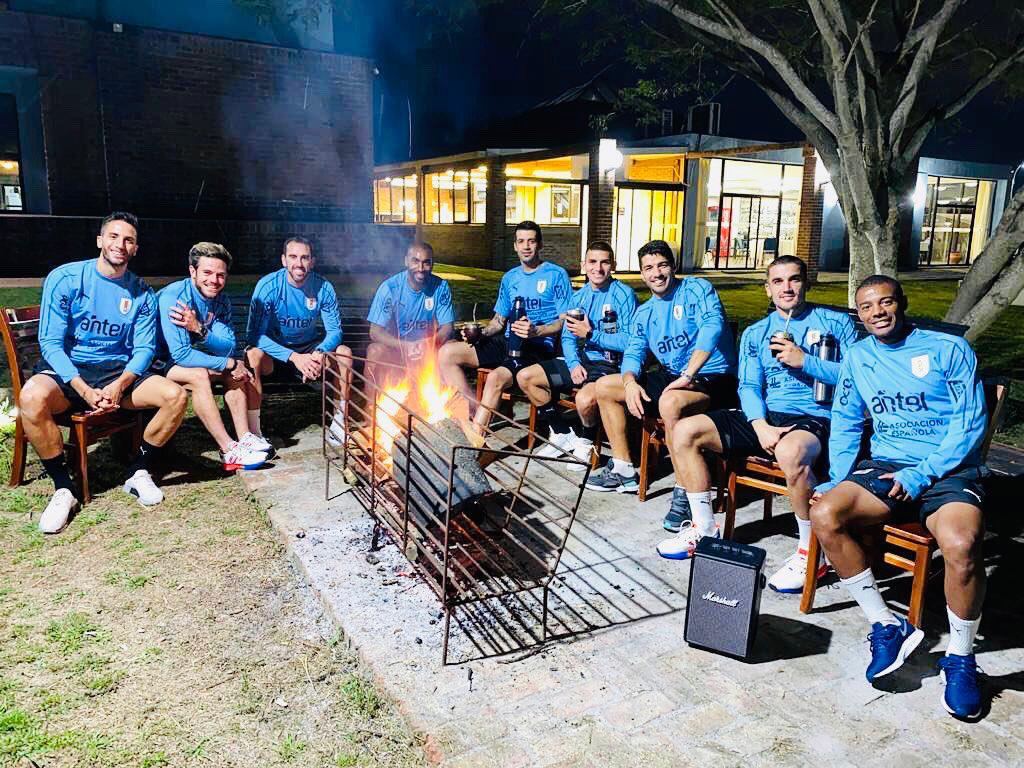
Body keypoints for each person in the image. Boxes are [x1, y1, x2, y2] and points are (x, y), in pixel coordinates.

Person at [811, 275, 988, 720]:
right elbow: (847, 418)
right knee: (826, 514)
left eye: (885, 303)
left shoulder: (949, 350)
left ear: (901, 304)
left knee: (962, 547)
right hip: (887, 466)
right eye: (867, 307)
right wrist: (837, 478)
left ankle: (961, 659)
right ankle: (886, 624)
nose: (877, 313)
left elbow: (969, 425)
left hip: (947, 469)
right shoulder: (858, 356)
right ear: (860, 313)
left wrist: (922, 473)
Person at [666, 256, 856, 577]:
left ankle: (812, 553)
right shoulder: (757, 333)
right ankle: (705, 527)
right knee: (685, 431)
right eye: (778, 282)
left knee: (790, 451)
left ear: (806, 283)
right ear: (767, 289)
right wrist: (759, 425)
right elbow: (750, 385)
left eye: (794, 279)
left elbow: (858, 376)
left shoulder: (835, 325)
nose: (787, 288)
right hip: (765, 417)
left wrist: (805, 361)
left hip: (815, 416)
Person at [19, 212, 188, 533]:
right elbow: (51, 343)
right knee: (31, 396)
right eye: (113, 236)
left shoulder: (141, 293)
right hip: (69, 373)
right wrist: (83, 389)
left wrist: (121, 383)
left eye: (128, 240)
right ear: (100, 240)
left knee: (175, 396)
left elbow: (144, 350)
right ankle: (63, 489)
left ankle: (138, 472)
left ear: (135, 248)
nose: (120, 245)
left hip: (117, 374)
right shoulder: (67, 279)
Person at [587, 240, 737, 510]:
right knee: (605, 386)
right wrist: (630, 381)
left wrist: (690, 372)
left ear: (673, 266)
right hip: (674, 378)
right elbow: (633, 353)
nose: (656, 273)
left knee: (670, 402)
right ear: (642, 274)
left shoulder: (695, 288)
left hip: (713, 378)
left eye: (662, 265)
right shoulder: (644, 313)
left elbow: (712, 326)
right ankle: (623, 469)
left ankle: (685, 490)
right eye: (649, 268)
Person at [437, 221, 571, 435]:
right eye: (521, 241)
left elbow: (565, 320)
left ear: (540, 245)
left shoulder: (556, 275)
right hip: (508, 342)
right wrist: (482, 332)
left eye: (531, 241)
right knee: (447, 353)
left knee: (495, 378)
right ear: (515, 246)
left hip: (537, 347)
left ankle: (475, 440)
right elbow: (499, 321)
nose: (526, 246)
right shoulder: (510, 278)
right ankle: (472, 409)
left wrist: (537, 331)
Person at [515, 240, 636, 464]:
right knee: (525, 377)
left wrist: (591, 335)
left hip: (609, 366)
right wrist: (572, 364)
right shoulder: (578, 297)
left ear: (614, 265)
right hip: (581, 361)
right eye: (592, 262)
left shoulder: (624, 294)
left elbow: (630, 342)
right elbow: (568, 337)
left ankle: (587, 442)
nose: (598, 268)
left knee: (584, 399)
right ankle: (562, 433)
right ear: (584, 265)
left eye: (604, 262)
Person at [153, 242, 272, 471]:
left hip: (177, 360)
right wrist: (228, 361)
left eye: (221, 275)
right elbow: (181, 354)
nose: (214, 280)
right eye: (207, 273)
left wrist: (200, 329)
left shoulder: (220, 300)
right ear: (192, 272)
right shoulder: (175, 298)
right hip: (155, 361)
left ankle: (245, 437)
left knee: (233, 372)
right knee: (201, 374)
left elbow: (227, 347)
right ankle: (229, 450)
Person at [245, 236, 353, 444]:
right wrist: (294, 357)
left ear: (312, 261)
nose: (299, 263)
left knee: (344, 354)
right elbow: (254, 335)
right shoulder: (268, 287)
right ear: (284, 260)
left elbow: (335, 331)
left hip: (309, 349)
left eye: (305, 258)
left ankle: (339, 424)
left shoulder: (323, 287)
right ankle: (254, 433)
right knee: (252, 355)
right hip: (274, 351)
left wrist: (319, 353)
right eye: (293, 257)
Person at [365, 241, 454, 386]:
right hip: (396, 349)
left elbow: (447, 328)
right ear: (406, 261)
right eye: (415, 261)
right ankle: (370, 406)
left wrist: (428, 344)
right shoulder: (390, 288)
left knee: (451, 347)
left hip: (429, 350)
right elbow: (375, 332)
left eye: (426, 263)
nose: (420, 268)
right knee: (375, 350)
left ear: (433, 264)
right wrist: (405, 346)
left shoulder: (440, 287)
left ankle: (450, 404)